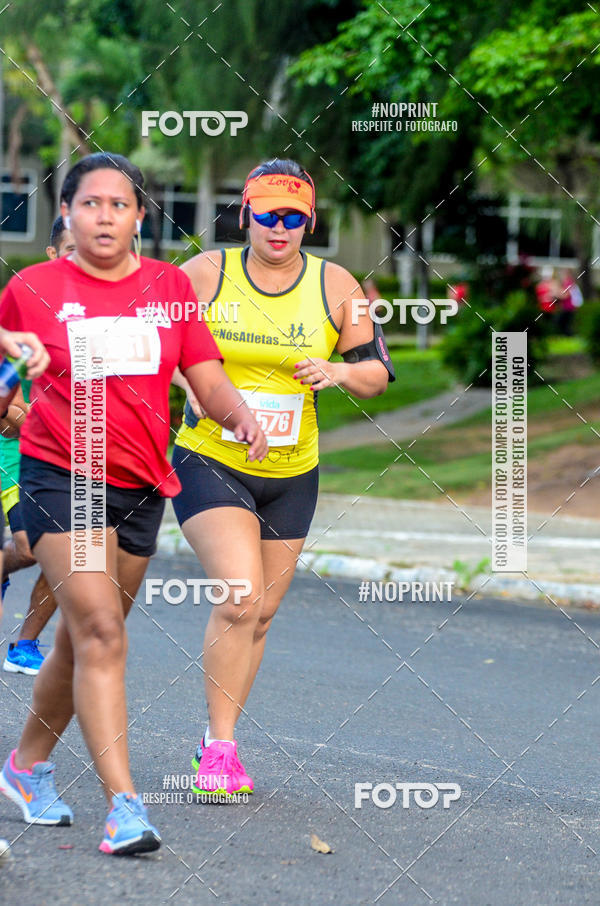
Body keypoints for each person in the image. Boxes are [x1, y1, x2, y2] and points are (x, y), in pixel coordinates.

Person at [0, 152, 266, 855]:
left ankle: (24, 768)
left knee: (81, 636)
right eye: (91, 203)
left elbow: (203, 377)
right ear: (66, 212)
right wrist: (8, 391)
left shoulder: (170, 289)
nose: (105, 215)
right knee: (102, 634)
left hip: (142, 486)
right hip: (64, 478)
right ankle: (125, 806)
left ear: (140, 216)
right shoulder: (32, 288)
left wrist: (238, 414)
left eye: (119, 205)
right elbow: (6, 382)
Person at [172, 158, 393, 798]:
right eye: (267, 215)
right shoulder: (206, 274)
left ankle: (217, 740)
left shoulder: (337, 285)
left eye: (294, 217)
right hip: (212, 457)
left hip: (294, 471)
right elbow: (155, 348)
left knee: (261, 614)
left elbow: (376, 371)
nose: (280, 228)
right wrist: (192, 384)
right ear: (245, 214)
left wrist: (338, 372)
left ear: (310, 222)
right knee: (239, 596)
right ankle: (219, 749)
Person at [2, 216, 75, 676]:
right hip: (14, 450)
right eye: (70, 249)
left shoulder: (104, 316)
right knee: (32, 546)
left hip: (60, 455)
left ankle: (24, 644)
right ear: (52, 254)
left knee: (60, 550)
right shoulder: (22, 309)